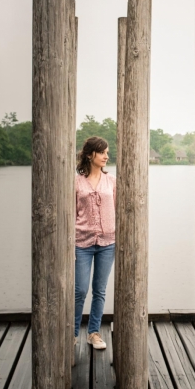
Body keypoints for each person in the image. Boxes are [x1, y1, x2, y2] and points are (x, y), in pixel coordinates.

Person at [74, 136, 117, 350]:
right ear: (91, 155)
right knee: (80, 290)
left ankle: (93, 333)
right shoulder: (76, 181)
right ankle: (72, 334)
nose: (106, 156)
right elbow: (71, 213)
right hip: (81, 243)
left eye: (107, 152)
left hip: (107, 243)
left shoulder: (112, 182)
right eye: (102, 153)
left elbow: (119, 210)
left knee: (99, 290)